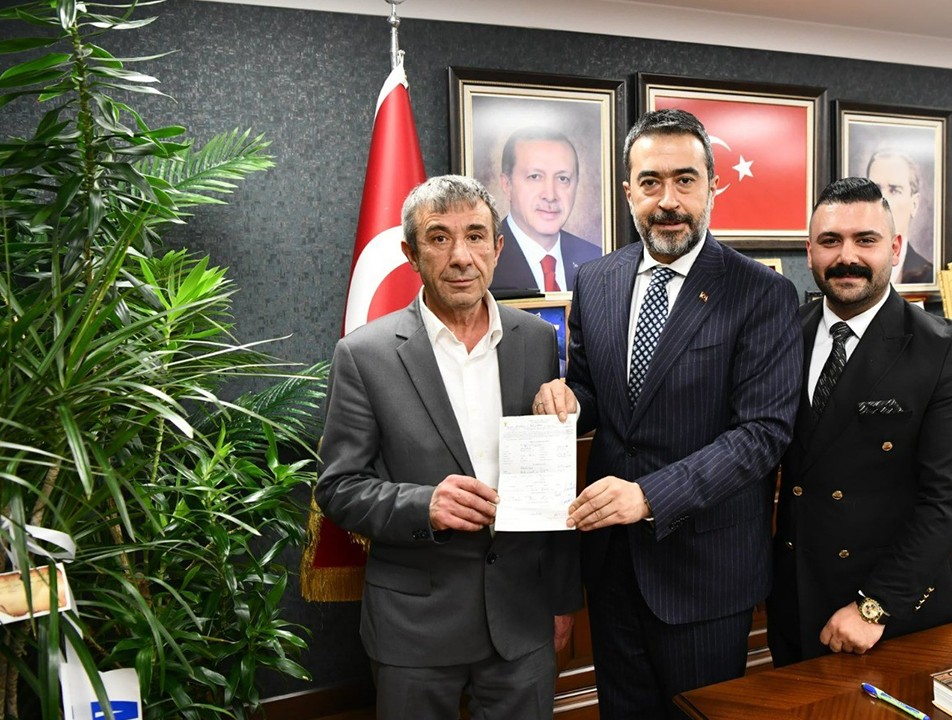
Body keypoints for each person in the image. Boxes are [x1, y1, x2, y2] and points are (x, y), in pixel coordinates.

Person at [532, 108, 802, 718]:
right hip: (611, 560)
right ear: (629, 191)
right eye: (651, 182)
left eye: (685, 180)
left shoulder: (761, 292)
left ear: (713, 187)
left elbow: (762, 434)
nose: (668, 201)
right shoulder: (596, 279)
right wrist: (567, 398)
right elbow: (596, 391)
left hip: (704, 568)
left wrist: (648, 496)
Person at [315, 175, 581, 719]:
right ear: (411, 254)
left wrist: (559, 598)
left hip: (521, 619)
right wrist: (424, 505)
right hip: (415, 628)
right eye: (439, 238)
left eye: (475, 236)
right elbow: (338, 488)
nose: (461, 256)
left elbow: (549, 485)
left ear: (497, 247)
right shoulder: (363, 355)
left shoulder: (536, 339)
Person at [766, 176, 952, 666]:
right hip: (795, 599)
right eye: (830, 241)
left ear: (894, 247)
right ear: (810, 252)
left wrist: (875, 606)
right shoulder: (784, 335)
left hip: (894, 612)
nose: (847, 256)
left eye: (865, 240)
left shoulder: (945, 350)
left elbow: (950, 500)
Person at [491, 126, 602, 292]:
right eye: (535, 177)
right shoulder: (484, 262)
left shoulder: (596, 259)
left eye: (563, 178)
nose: (550, 195)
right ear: (507, 185)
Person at [866, 149, 935, 285]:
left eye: (894, 190)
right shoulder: (847, 266)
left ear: (914, 205)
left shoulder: (928, 276)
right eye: (875, 190)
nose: (883, 200)